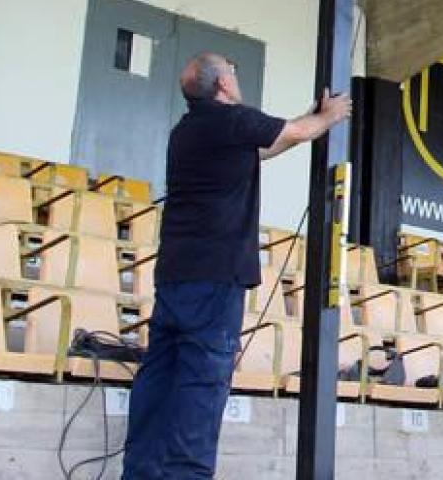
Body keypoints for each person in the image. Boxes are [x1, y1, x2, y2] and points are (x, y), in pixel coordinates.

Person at [122, 53, 351, 479]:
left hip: (175, 276)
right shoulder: (231, 121)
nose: (236, 76)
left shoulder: (187, 131)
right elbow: (296, 133)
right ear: (223, 85)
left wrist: (310, 120)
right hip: (214, 281)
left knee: (159, 382)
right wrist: (331, 115)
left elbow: (269, 145)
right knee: (202, 390)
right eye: (233, 69)